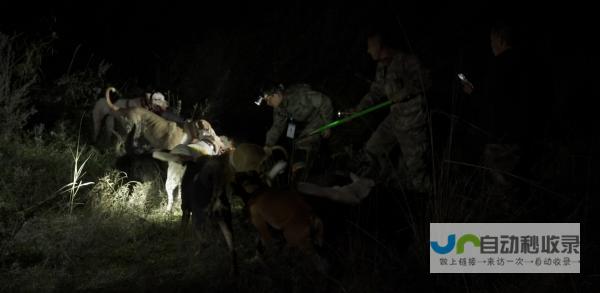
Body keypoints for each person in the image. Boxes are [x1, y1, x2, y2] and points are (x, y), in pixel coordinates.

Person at [350, 28, 432, 194]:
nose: (368, 50)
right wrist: (358, 110)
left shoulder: (406, 60)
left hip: (412, 123)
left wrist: (404, 91)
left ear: (380, 45)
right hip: (394, 119)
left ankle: (431, 202)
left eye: (370, 46)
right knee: (372, 149)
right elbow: (376, 91)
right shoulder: (382, 66)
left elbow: (426, 80)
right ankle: (385, 184)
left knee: (416, 171)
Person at [460, 21, 529, 199]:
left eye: (492, 40)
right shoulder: (525, 63)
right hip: (522, 134)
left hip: (501, 138)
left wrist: (471, 93)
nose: (491, 44)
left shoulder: (498, 66)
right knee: (515, 182)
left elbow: (489, 101)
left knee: (503, 190)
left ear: (500, 39)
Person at [262, 83, 334, 184]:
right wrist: (268, 144)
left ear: (277, 94)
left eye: (269, 99)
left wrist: (328, 125)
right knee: (294, 144)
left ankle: (301, 179)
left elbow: (324, 101)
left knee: (303, 142)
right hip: (308, 122)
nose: (268, 103)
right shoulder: (279, 109)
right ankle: (297, 172)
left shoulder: (299, 95)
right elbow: (277, 127)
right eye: (266, 101)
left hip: (320, 115)